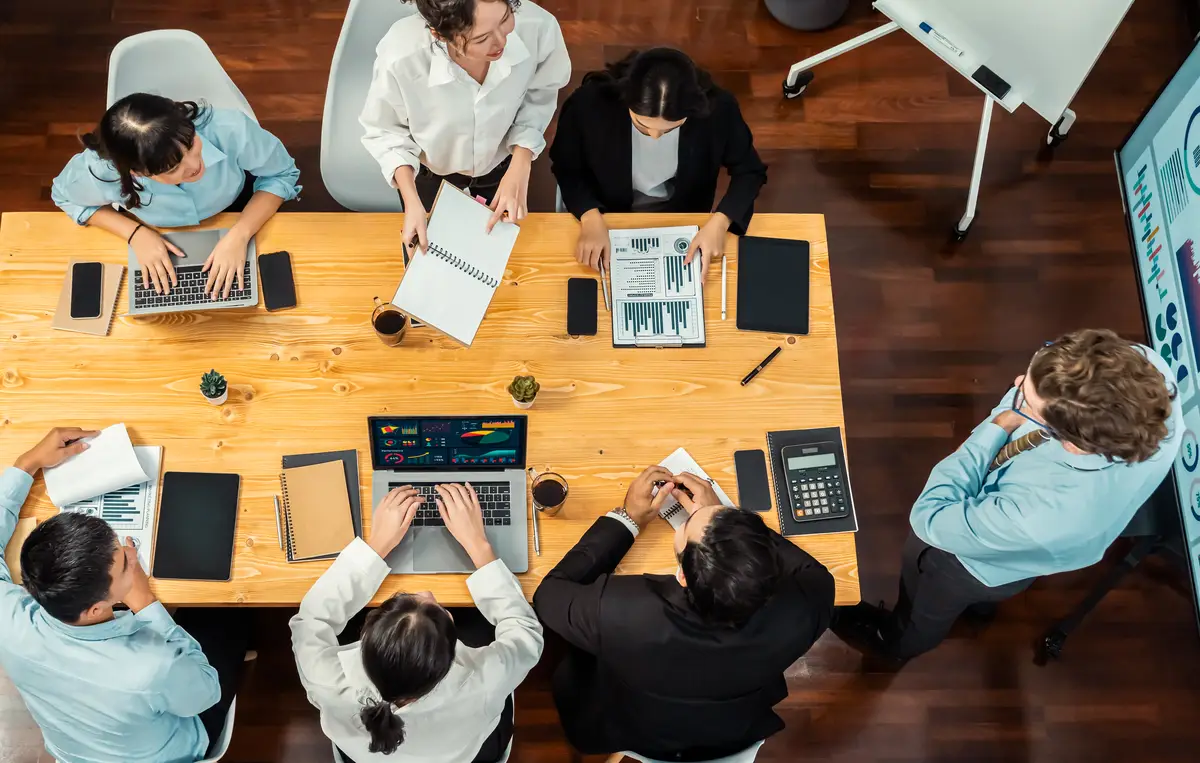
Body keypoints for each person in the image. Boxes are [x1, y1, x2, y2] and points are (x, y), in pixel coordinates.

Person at [834, 328, 1183, 662]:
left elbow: (930, 518)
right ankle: (979, 613)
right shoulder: (1150, 373)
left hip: (964, 565)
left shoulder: (1042, 516)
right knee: (988, 593)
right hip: (1016, 560)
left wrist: (997, 427)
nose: (1016, 384)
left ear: (1073, 446)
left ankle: (896, 643)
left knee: (922, 614)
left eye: (1026, 401)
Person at [532, 467, 834, 760]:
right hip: (730, 734)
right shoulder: (803, 609)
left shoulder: (620, 608)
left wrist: (628, 518)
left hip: (632, 729)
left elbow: (547, 595)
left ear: (683, 576)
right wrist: (733, 534)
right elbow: (814, 572)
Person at [0, 427, 248, 763]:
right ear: (97, 608)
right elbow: (205, 694)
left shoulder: (8, 621)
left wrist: (27, 463)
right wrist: (147, 604)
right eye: (125, 566)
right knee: (227, 613)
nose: (132, 558)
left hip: (72, 753)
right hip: (172, 752)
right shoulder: (153, 666)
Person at [290, 483, 543, 763]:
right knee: (480, 622)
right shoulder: (485, 681)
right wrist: (477, 544)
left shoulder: (326, 678)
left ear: (368, 634)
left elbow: (311, 618)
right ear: (451, 655)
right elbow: (525, 631)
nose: (427, 593)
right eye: (437, 610)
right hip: (473, 752)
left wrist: (375, 547)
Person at [360, 0, 570, 250]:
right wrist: (411, 200)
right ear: (439, 34)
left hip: (503, 165)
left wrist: (522, 162)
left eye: (505, 19)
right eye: (481, 39)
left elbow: (540, 94)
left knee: (498, 250)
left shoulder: (539, 27)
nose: (502, 41)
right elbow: (386, 130)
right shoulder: (402, 55)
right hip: (431, 174)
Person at [51, 93, 302, 299]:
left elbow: (281, 174)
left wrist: (240, 234)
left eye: (192, 144)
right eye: (172, 169)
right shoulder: (101, 170)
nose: (195, 166)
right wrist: (135, 234)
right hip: (155, 232)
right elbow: (65, 197)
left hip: (238, 207)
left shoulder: (230, 128)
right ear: (137, 173)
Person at [550, 48, 767, 278]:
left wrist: (720, 222)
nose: (654, 136)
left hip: (682, 213)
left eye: (670, 129)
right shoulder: (589, 104)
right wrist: (589, 216)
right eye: (642, 126)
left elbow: (750, 171)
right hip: (606, 210)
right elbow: (567, 165)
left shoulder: (719, 110)